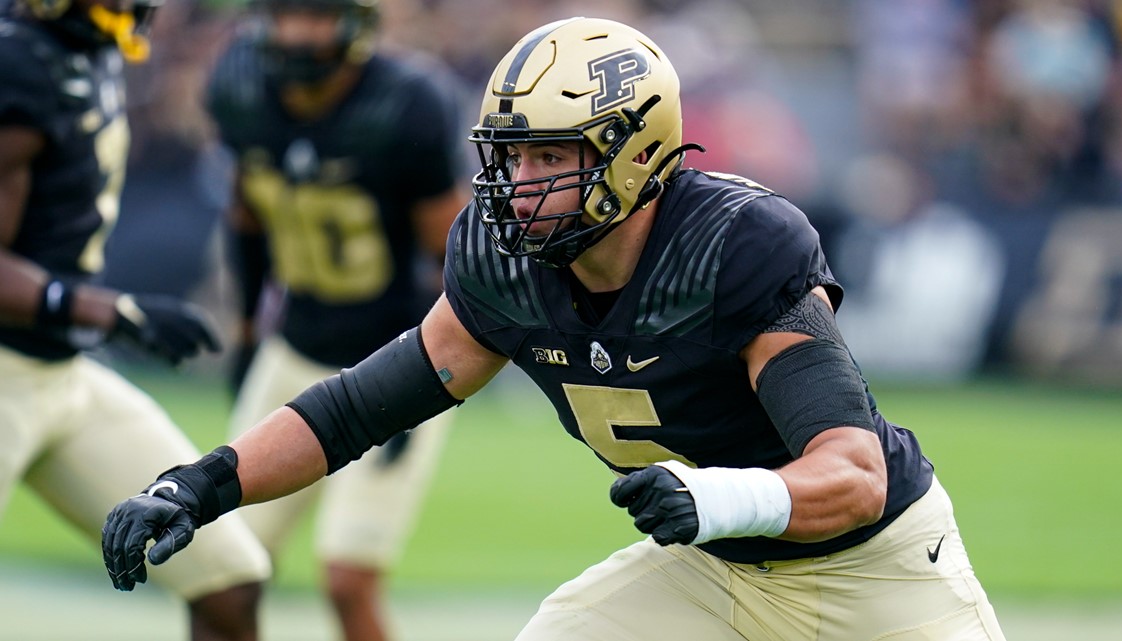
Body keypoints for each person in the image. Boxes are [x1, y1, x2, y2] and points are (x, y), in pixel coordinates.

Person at [102, 16, 1008, 641]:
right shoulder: (505, 264)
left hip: (873, 571)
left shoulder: (733, 247)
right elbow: (353, 410)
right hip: (716, 570)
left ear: (637, 149)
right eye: (511, 156)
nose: (518, 184)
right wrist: (201, 482)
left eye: (551, 157)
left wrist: (718, 499)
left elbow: (852, 474)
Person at [0, 0, 272, 640]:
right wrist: (109, 310)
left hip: (58, 373)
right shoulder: (17, 63)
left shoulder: (83, 47)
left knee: (229, 580)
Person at [204, 0, 468, 639]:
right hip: (294, 348)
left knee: (348, 582)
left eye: (317, 16)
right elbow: (247, 218)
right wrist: (245, 331)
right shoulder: (239, 84)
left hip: (391, 357)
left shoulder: (407, 104)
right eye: (287, 14)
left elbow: (451, 258)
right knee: (222, 570)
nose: (297, 32)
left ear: (355, 23)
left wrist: (417, 384)